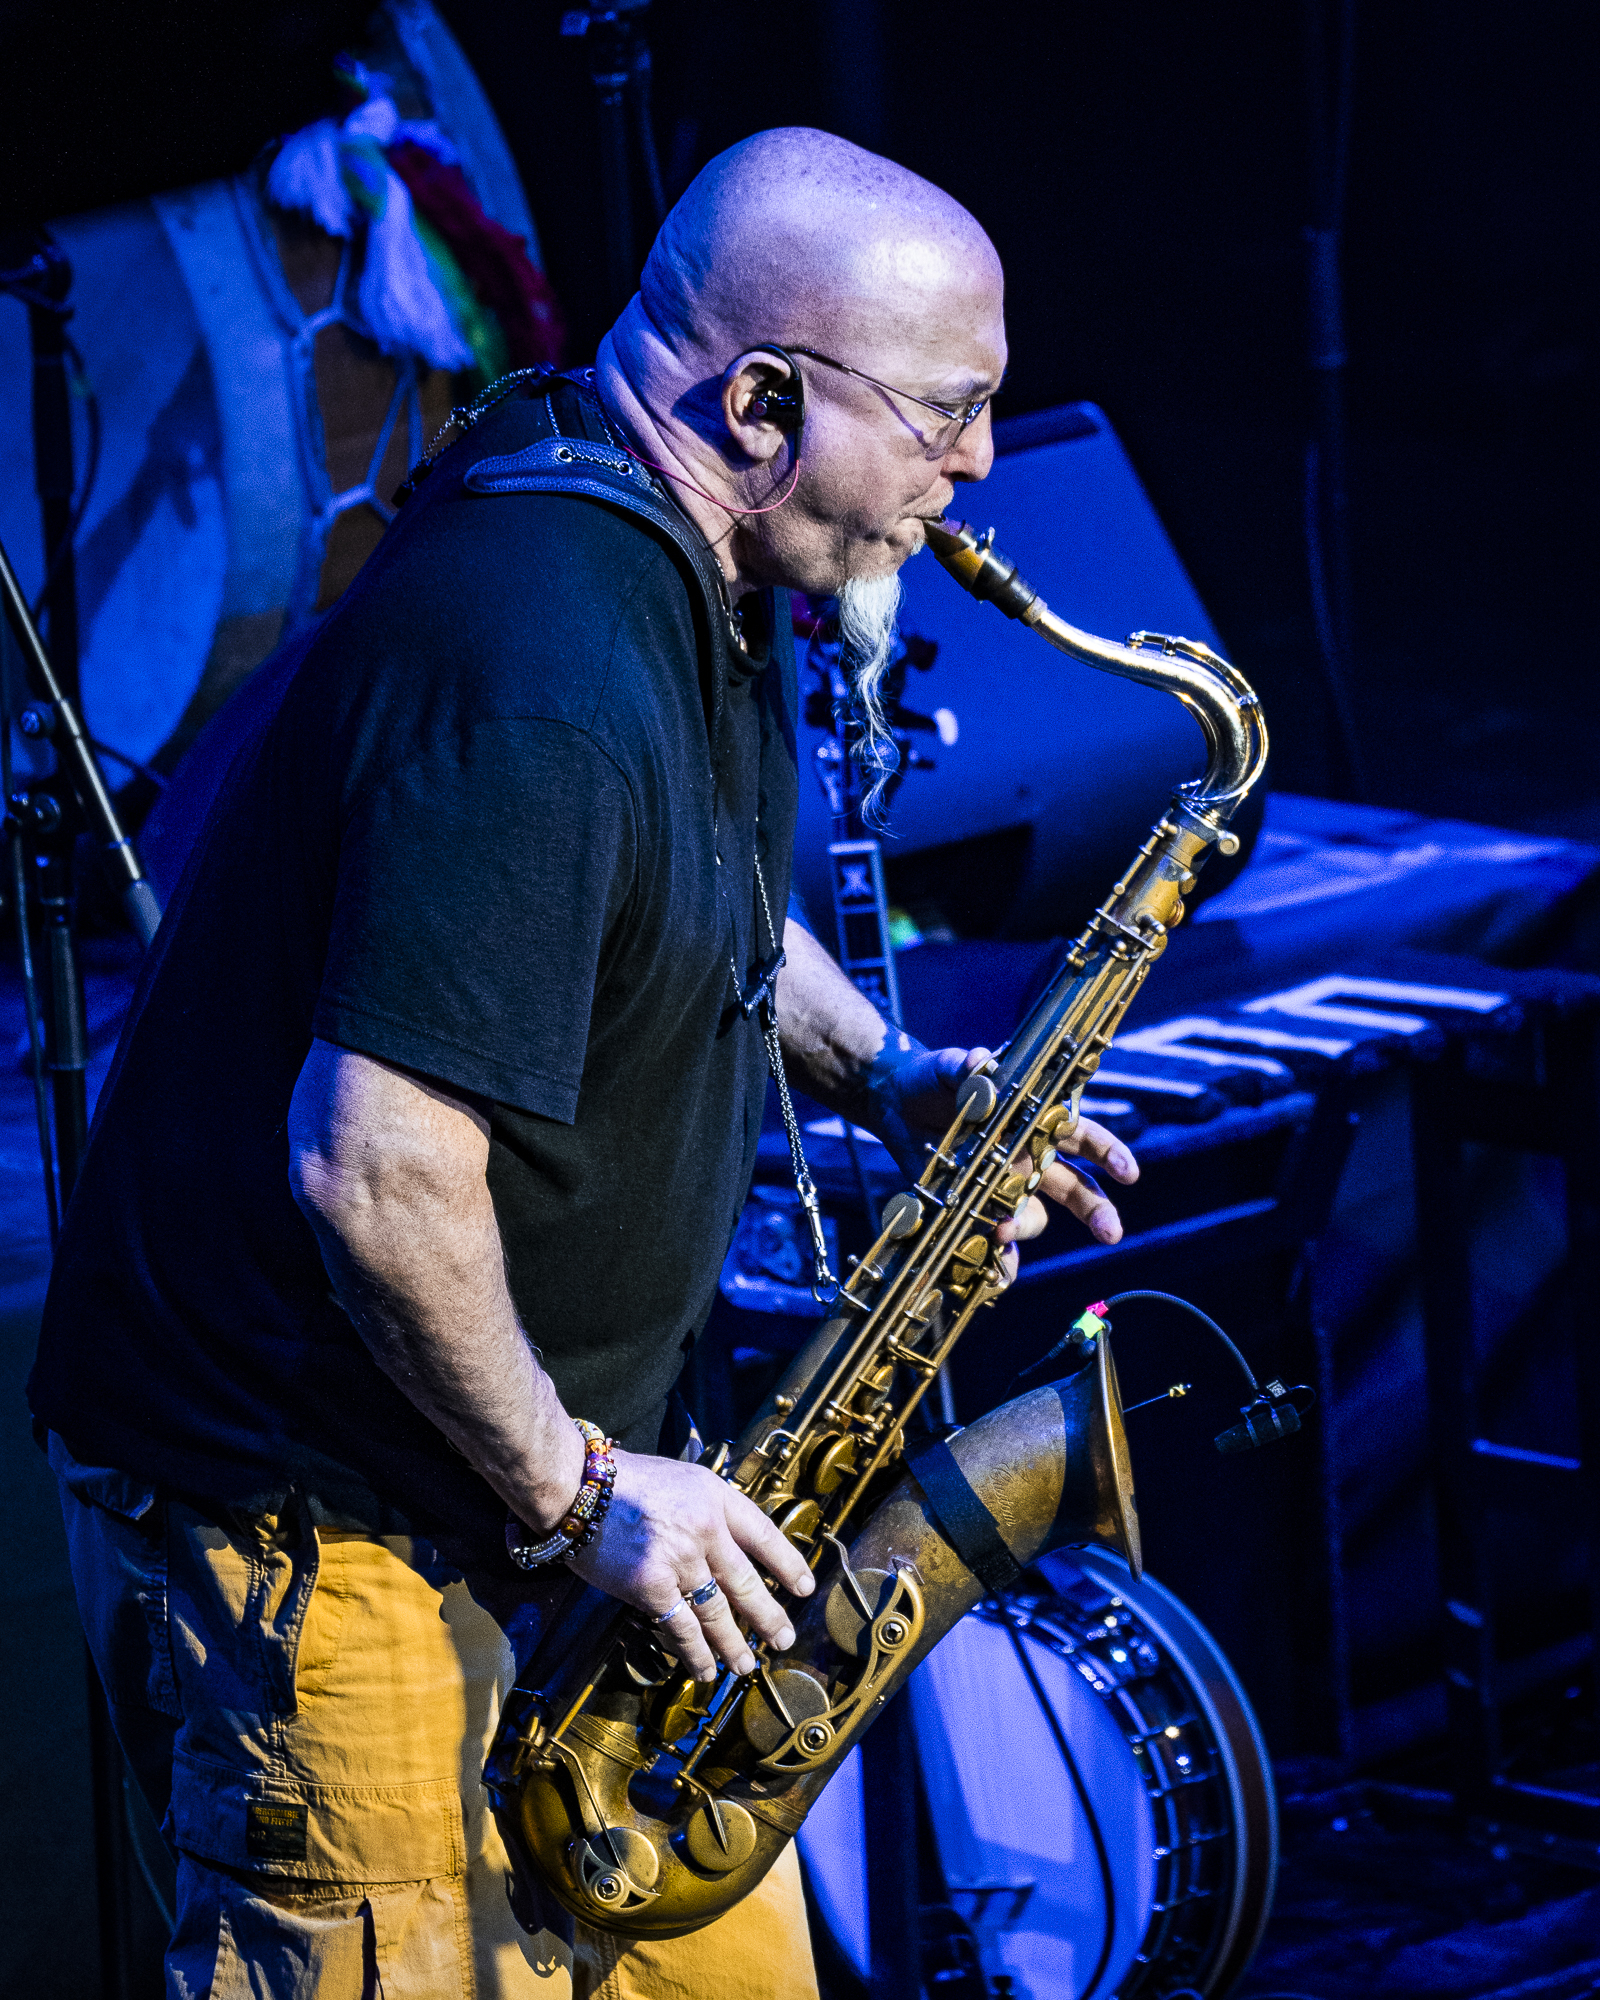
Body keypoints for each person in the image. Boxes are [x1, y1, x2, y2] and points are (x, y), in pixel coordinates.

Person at [29, 127, 1139, 1999]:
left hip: (548, 1508)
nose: (975, 474)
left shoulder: (686, 545)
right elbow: (373, 1175)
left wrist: (893, 1072)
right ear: (765, 395)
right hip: (341, 1531)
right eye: (948, 414)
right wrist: (583, 1497)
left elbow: (687, 887)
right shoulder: (541, 658)